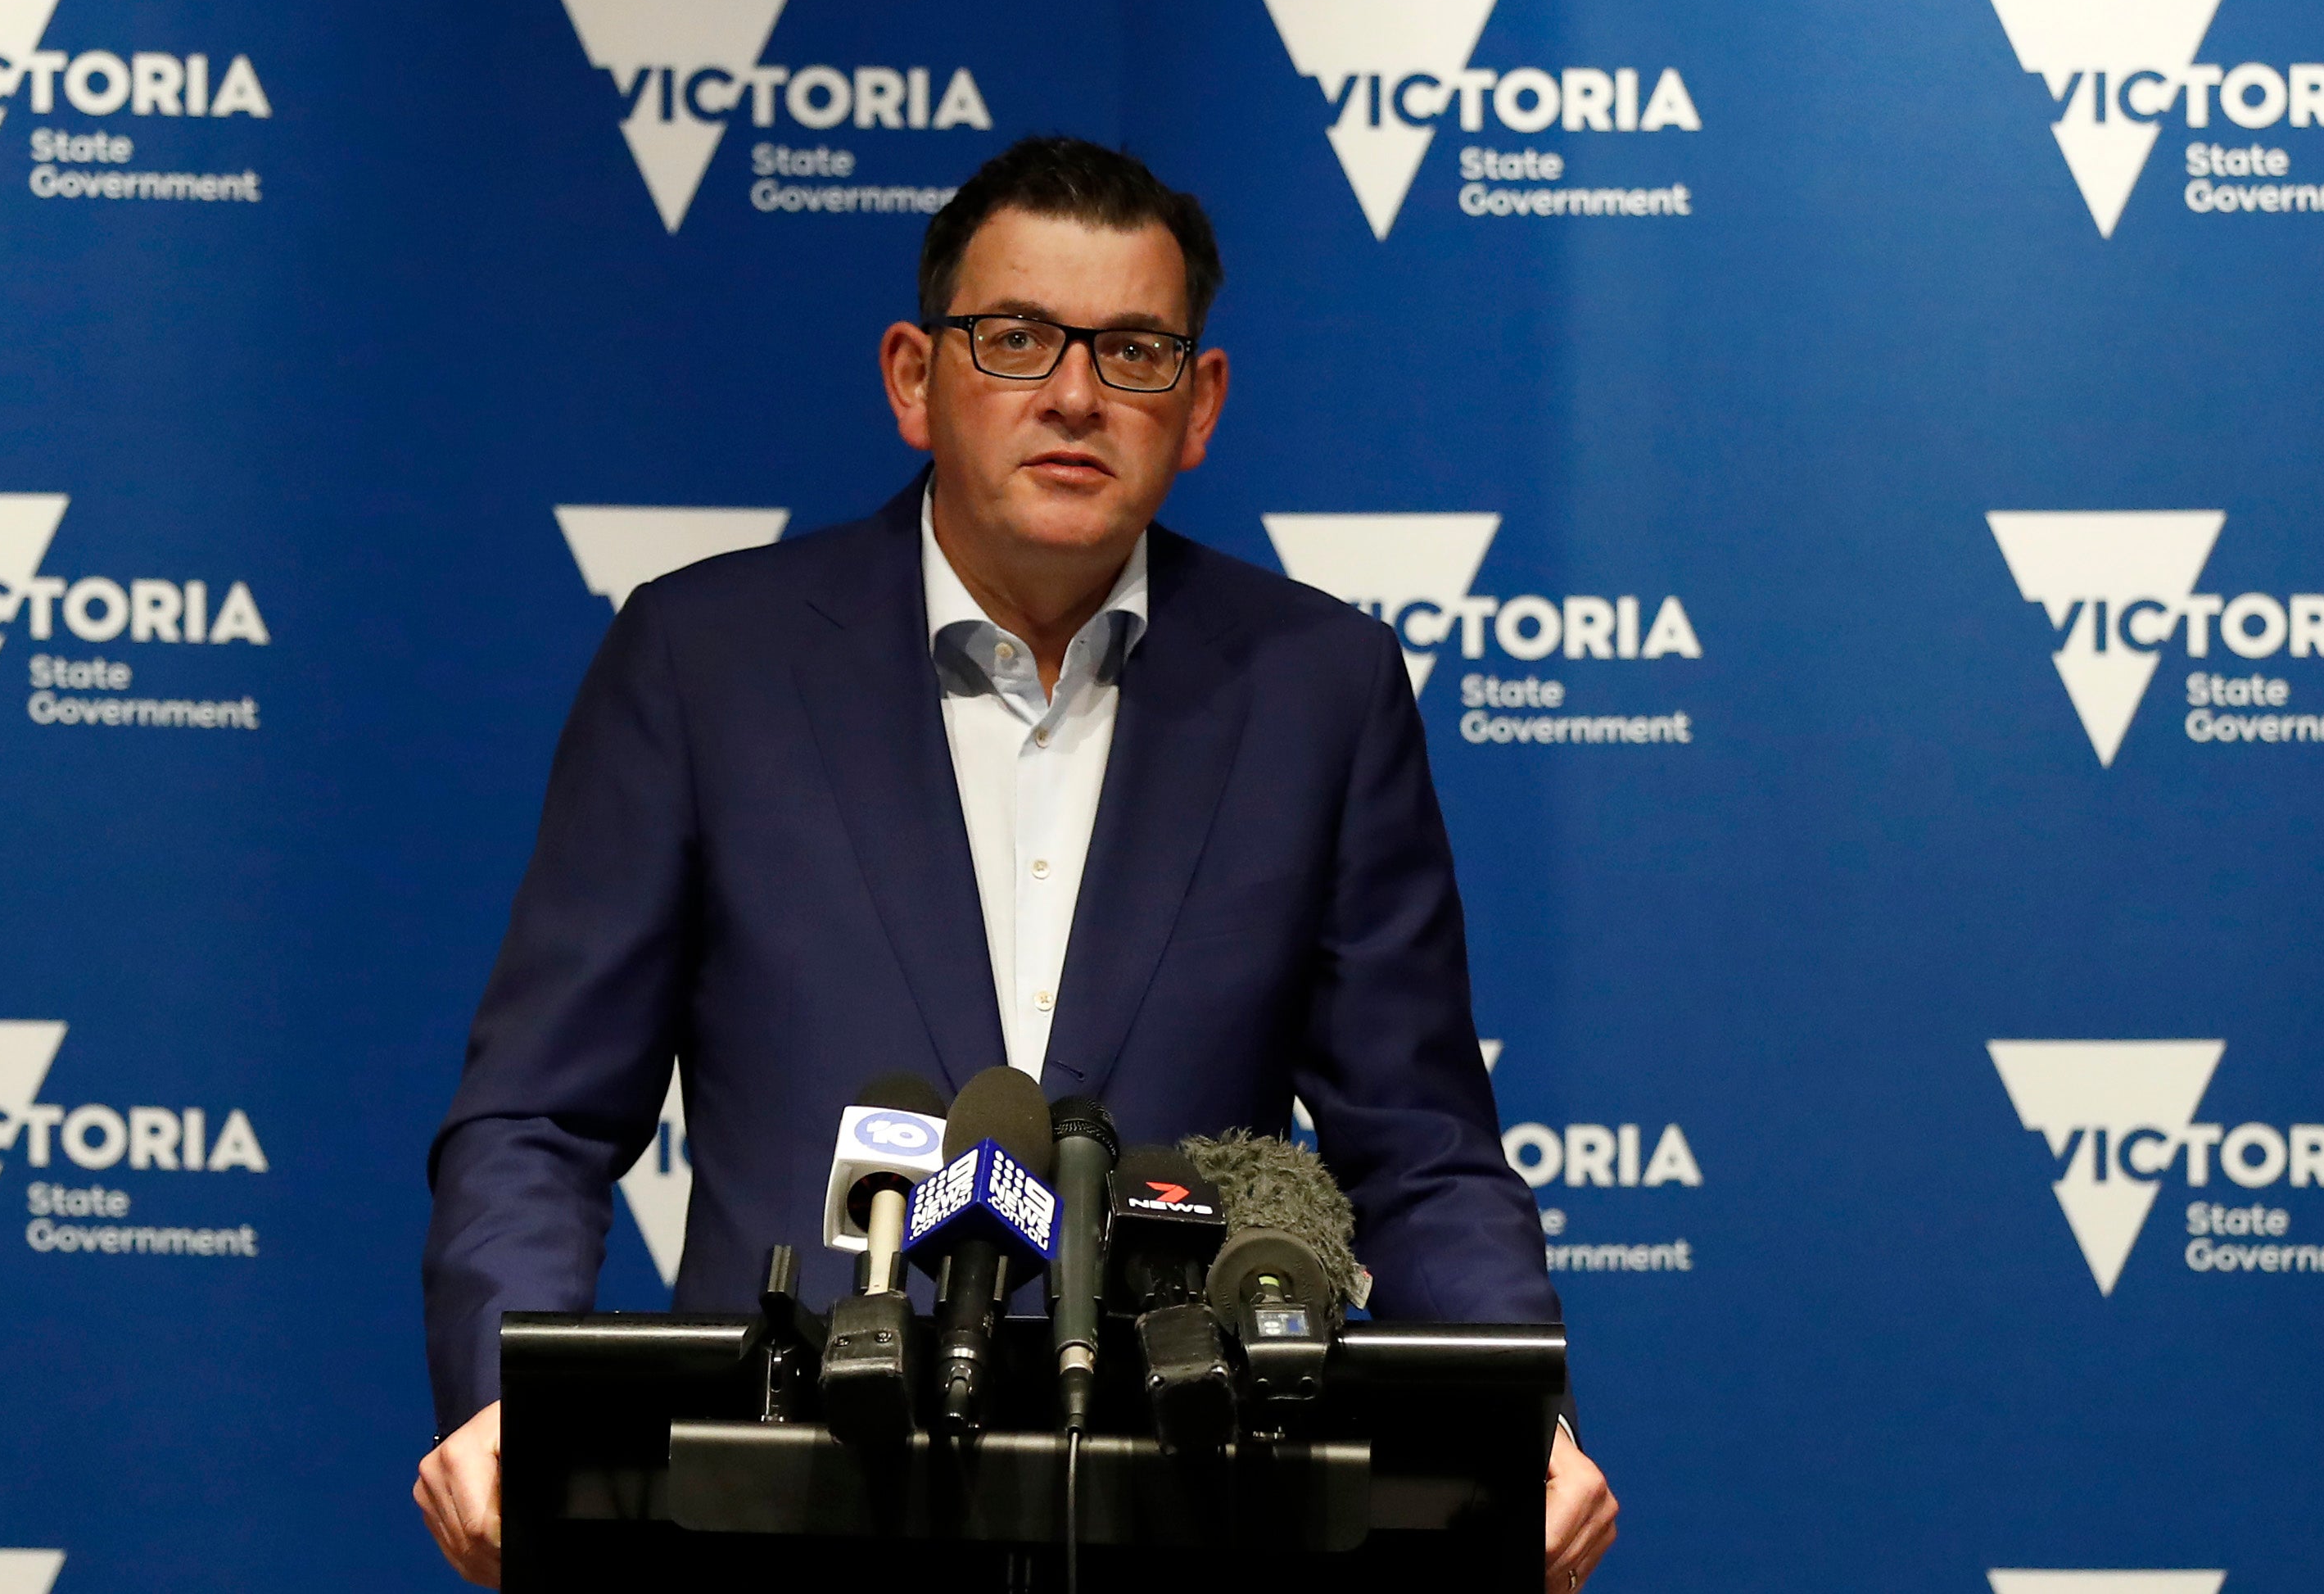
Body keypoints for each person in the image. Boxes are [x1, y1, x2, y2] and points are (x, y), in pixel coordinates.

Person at [414, 137, 1616, 1590]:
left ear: (1201, 404)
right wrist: (505, 1400)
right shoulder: (700, 662)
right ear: (914, 379)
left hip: (1186, 1504)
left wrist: (1520, 1416)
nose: (1072, 394)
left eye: (1132, 351)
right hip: (782, 1501)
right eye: (1017, 340)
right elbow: (537, 1117)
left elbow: (1420, 1150)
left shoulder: (1321, 690)